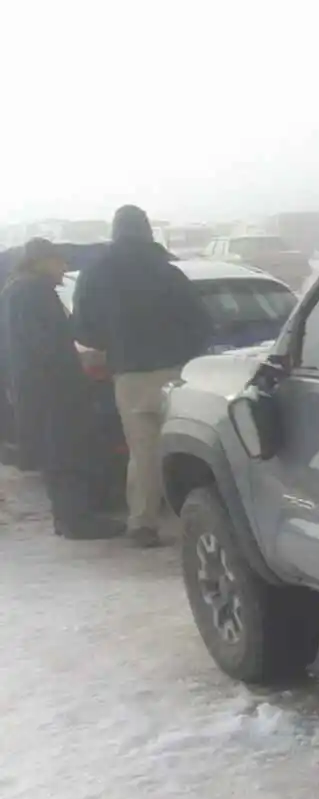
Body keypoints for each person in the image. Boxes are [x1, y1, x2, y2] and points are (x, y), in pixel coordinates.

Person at [71, 205, 212, 547]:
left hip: (131, 375)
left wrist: (113, 344)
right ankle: (199, 519)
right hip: (177, 372)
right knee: (185, 444)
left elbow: (82, 329)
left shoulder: (96, 273)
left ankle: (143, 523)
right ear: (147, 231)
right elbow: (201, 322)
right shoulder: (168, 272)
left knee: (143, 451)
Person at [0, 240, 124, 539]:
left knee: (61, 453)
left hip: (40, 388)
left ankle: (71, 518)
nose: (64, 268)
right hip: (51, 389)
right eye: (59, 262)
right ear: (41, 261)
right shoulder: (31, 293)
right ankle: (75, 521)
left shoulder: (21, 290)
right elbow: (45, 343)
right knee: (64, 454)